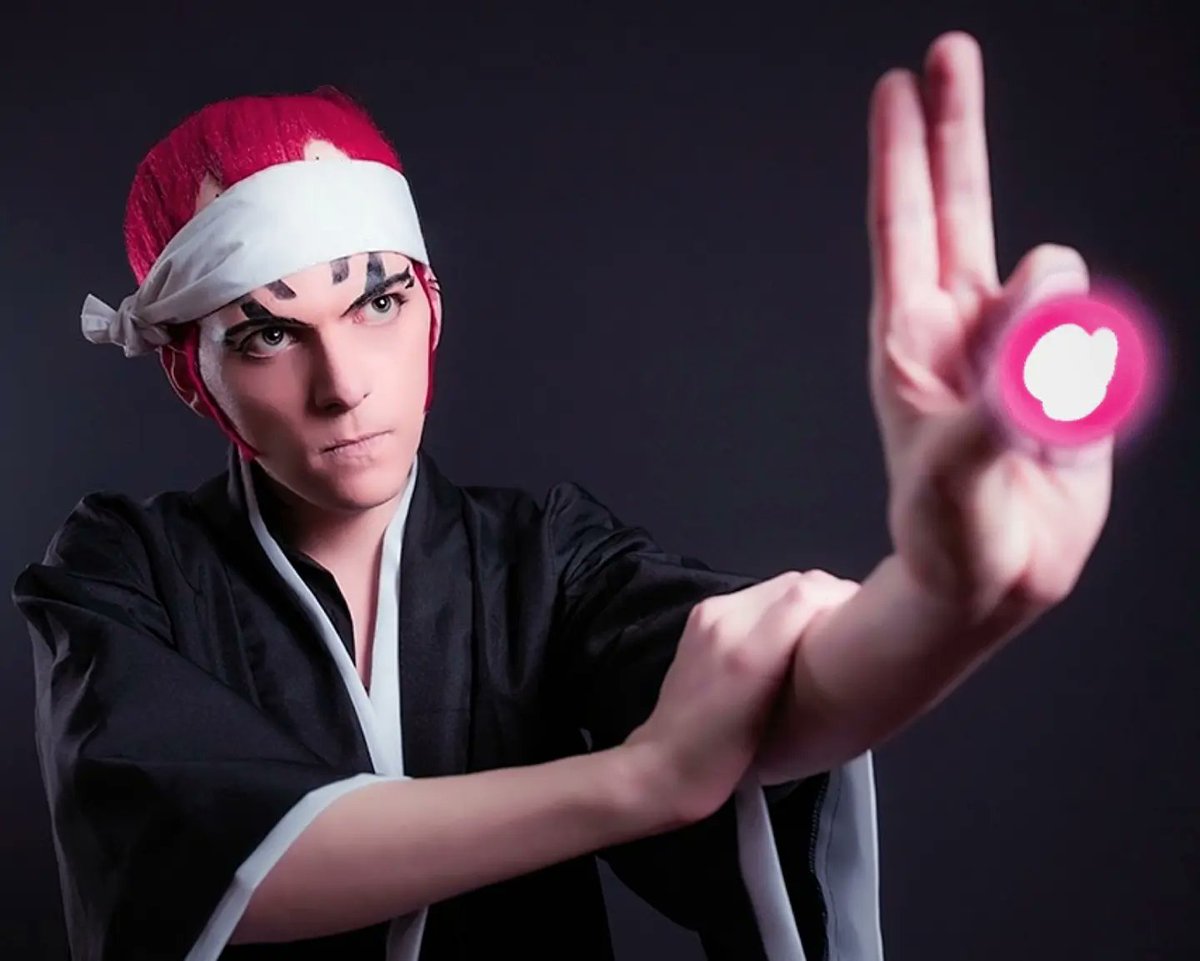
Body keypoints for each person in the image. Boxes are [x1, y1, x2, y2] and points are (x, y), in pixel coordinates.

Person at [11, 30, 1113, 961]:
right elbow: (195, 858)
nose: (341, 382)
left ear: (432, 308)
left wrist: (943, 595)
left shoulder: (543, 557)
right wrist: (632, 784)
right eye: (267, 334)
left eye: (376, 303)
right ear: (189, 374)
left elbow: (767, 692)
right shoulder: (118, 572)